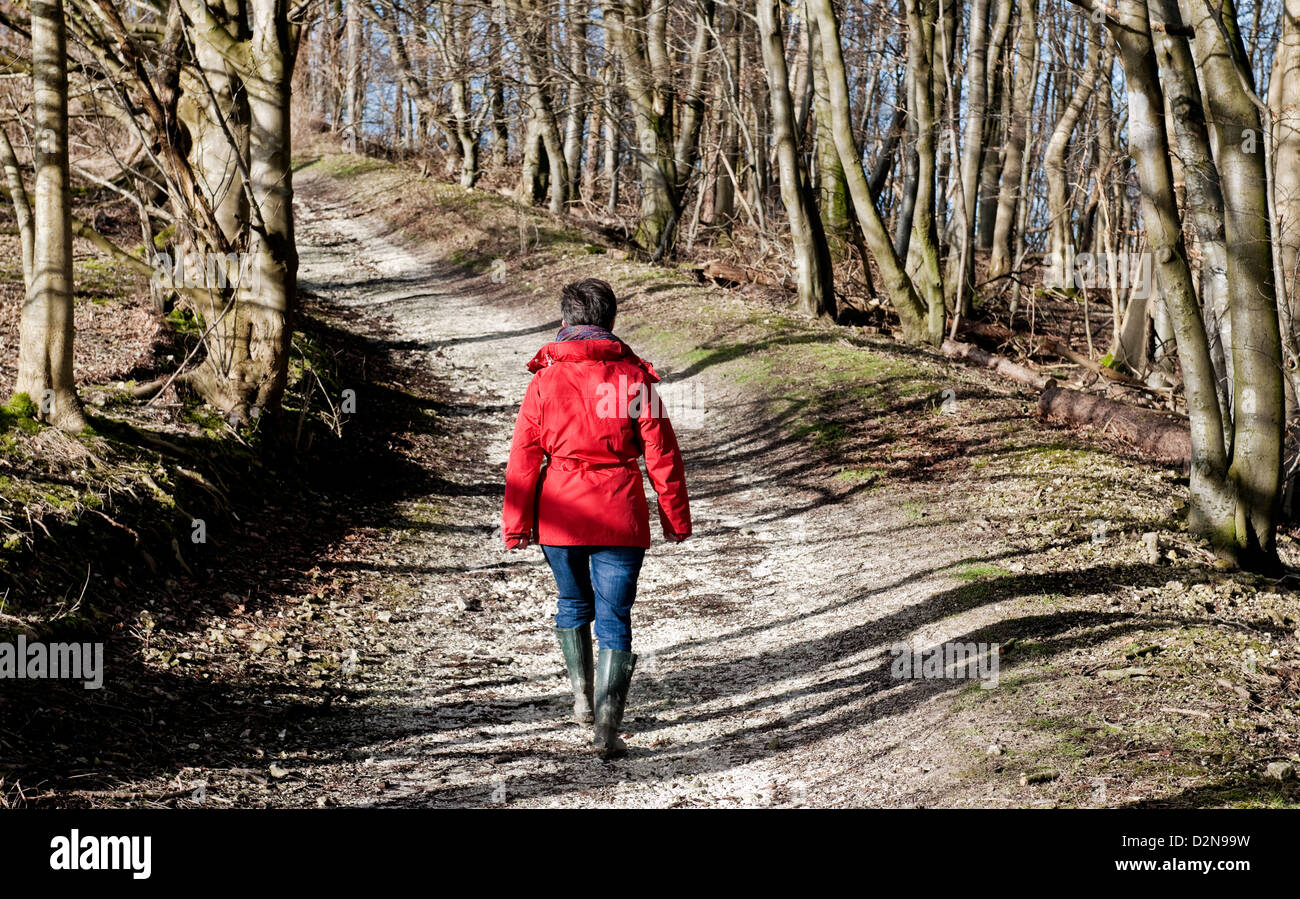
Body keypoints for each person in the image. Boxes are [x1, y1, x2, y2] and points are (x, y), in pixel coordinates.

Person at [502, 278, 691, 759]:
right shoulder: (635, 380)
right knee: (615, 619)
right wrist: (675, 519)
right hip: (619, 515)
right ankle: (608, 728)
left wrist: (516, 525)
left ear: (565, 323)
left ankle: (583, 701)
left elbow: (523, 458)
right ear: (610, 322)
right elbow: (662, 456)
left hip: (560, 516)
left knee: (571, 602)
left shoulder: (544, 381)